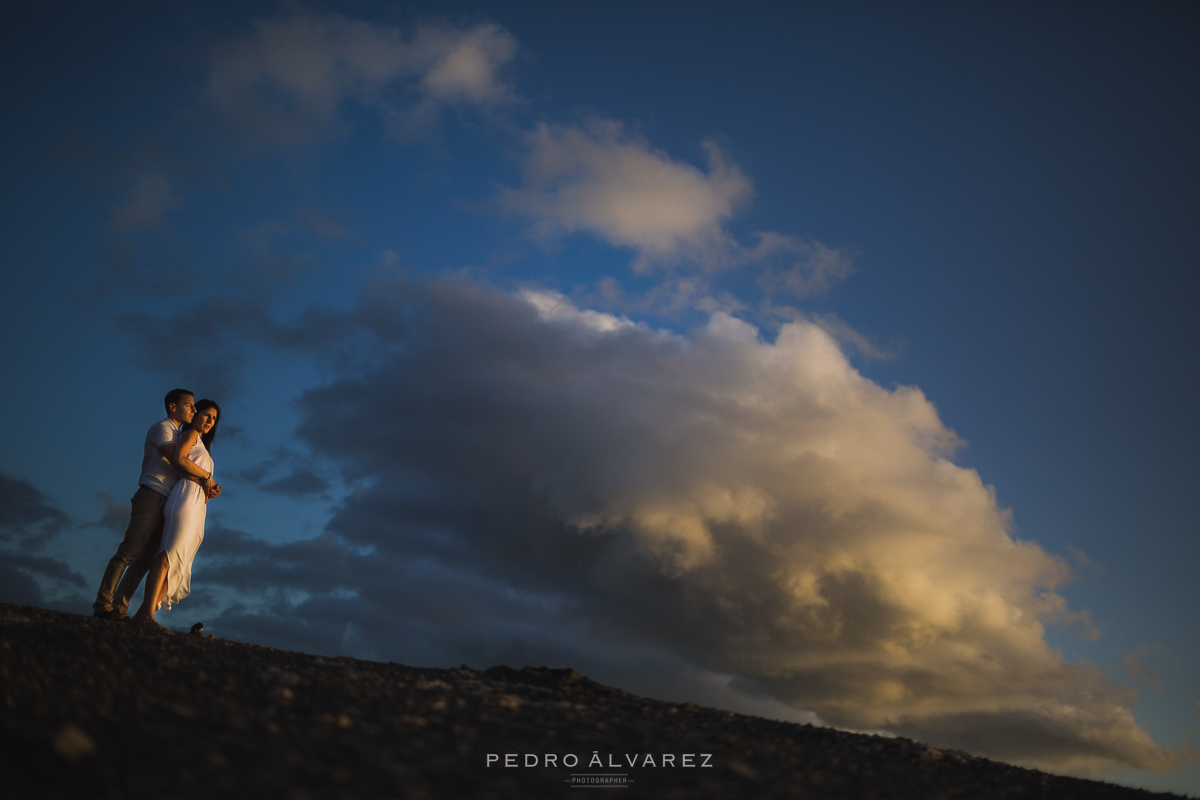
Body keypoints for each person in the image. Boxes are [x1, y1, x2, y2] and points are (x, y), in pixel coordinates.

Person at [92, 389, 219, 620]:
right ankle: (103, 604)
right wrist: (206, 477)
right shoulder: (162, 429)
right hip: (152, 493)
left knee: (145, 561)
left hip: (169, 498)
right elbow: (177, 460)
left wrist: (205, 486)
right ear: (173, 406)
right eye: (189, 405)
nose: (193, 409)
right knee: (130, 551)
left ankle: (120, 608)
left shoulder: (180, 434)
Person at [132, 399, 221, 627]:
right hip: (185, 498)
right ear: (196, 415)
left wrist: (210, 488)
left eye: (214, 418)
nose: (210, 421)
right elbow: (179, 459)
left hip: (198, 502)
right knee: (169, 553)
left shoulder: (202, 445)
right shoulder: (190, 433)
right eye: (206, 415)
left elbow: (197, 473)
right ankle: (146, 614)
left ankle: (145, 612)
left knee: (180, 561)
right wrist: (206, 477)